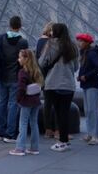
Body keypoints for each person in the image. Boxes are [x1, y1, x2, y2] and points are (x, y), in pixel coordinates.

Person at [39, 23, 79, 152]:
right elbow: (76, 67)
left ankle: (61, 142)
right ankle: (65, 140)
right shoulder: (73, 46)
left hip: (53, 83)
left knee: (57, 112)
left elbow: (42, 62)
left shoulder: (50, 44)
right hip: (68, 84)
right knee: (64, 113)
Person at [0, 16, 29, 143]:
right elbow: (25, 60)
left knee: (2, 103)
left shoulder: (1, 38)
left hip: (2, 76)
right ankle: (10, 134)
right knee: (13, 104)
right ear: (20, 26)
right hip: (15, 76)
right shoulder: (23, 42)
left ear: (9, 25)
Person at [9, 49, 43, 156]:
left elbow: (21, 88)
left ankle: (20, 148)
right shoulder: (36, 71)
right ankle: (34, 148)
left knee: (22, 124)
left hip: (26, 101)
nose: (18, 59)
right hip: (36, 101)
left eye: (20, 57)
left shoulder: (22, 72)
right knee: (34, 124)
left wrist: (19, 99)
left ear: (26, 59)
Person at [76, 33, 98, 145]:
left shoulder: (91, 53)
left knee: (92, 110)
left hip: (91, 84)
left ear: (87, 43)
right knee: (88, 110)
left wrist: (86, 76)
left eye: (81, 41)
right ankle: (90, 133)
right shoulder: (85, 53)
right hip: (86, 84)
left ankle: (95, 135)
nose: (79, 43)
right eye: (79, 41)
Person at [36, 22, 57, 139]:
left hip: (43, 76)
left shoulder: (40, 41)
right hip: (52, 75)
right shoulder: (50, 42)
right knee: (55, 103)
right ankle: (56, 130)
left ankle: (48, 129)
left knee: (48, 103)